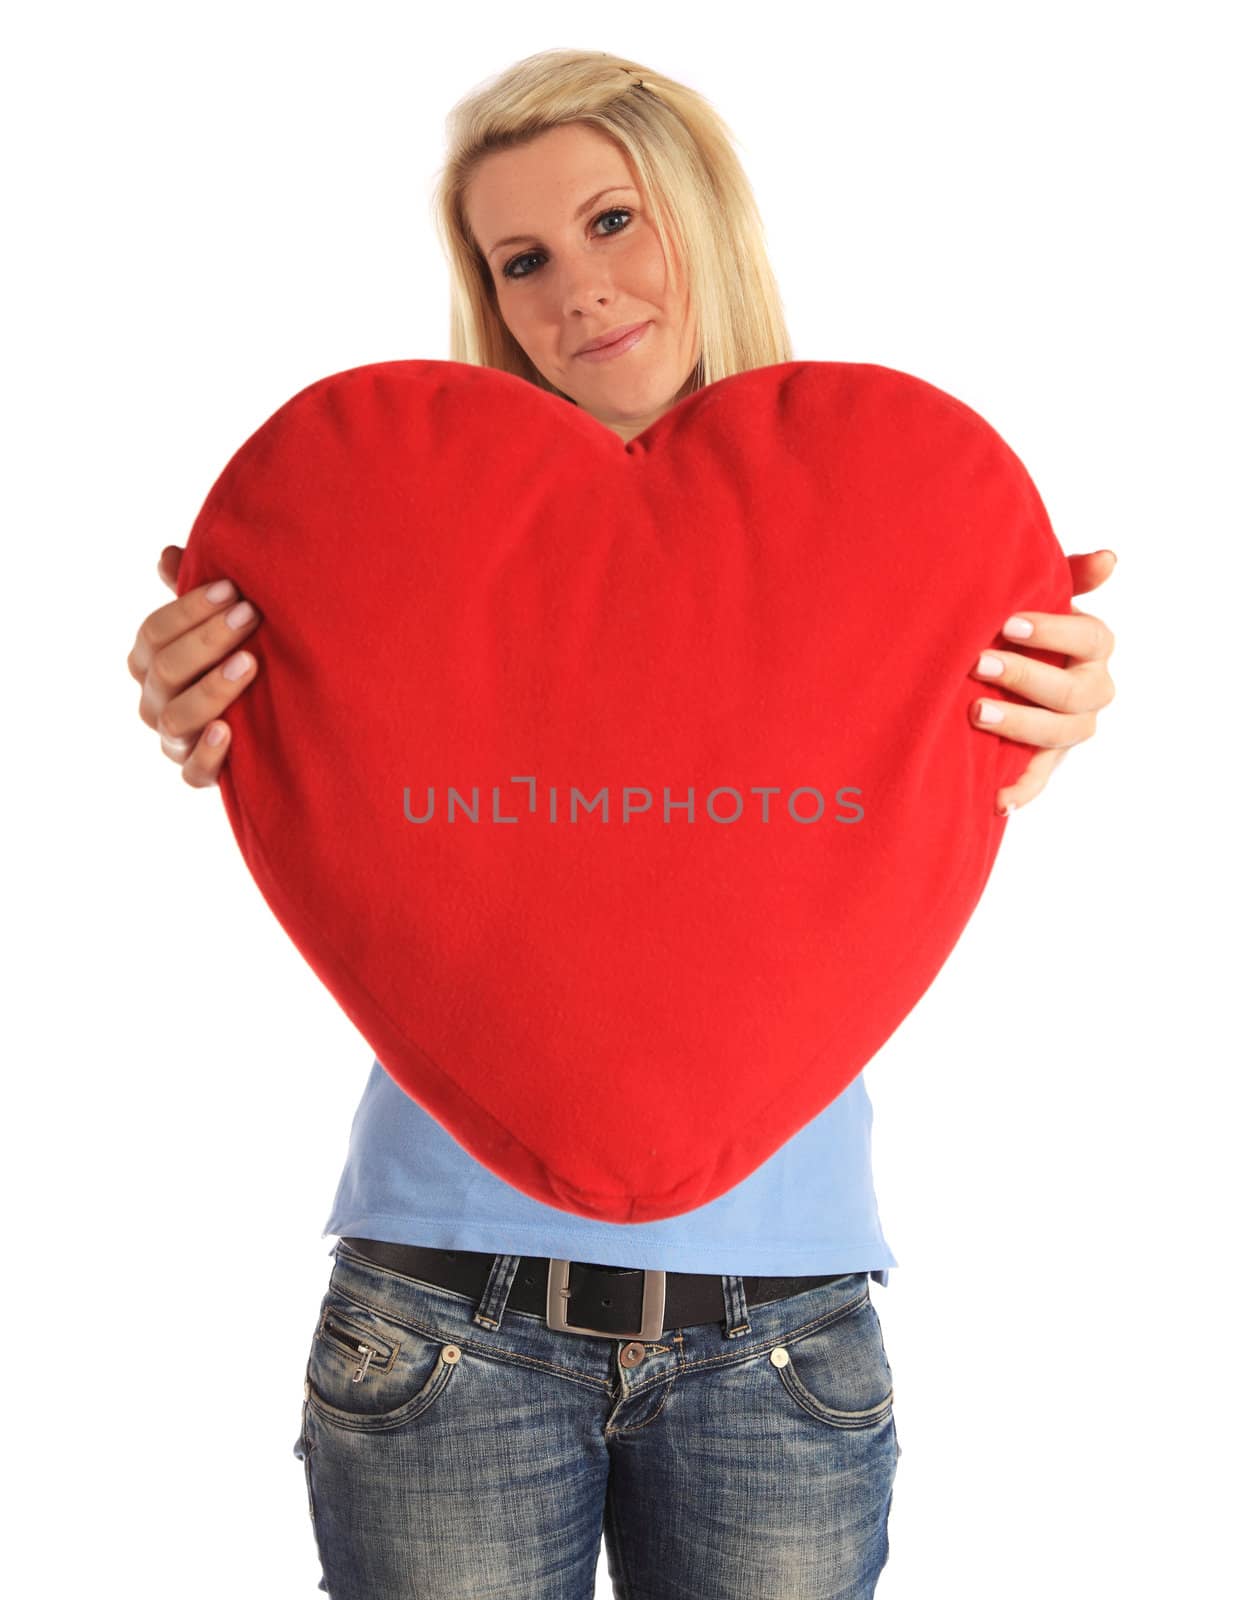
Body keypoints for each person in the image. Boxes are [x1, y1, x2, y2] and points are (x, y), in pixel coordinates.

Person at [126, 48, 1117, 1600]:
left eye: (611, 220)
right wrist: (218, 699)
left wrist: (1046, 704)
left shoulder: (895, 531)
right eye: (519, 259)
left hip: (782, 1330)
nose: (574, 288)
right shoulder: (401, 549)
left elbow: (906, 804)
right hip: (440, 1311)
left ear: (706, 218)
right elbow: (308, 755)